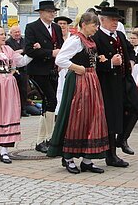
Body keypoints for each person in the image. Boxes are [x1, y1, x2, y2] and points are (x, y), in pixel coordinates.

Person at [47, 12, 109, 174]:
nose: (96, 28)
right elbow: (60, 59)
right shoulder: (75, 40)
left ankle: (87, 160)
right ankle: (68, 157)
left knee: (92, 116)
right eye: (94, 25)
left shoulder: (89, 40)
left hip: (91, 81)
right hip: (79, 82)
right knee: (77, 116)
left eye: (97, 25)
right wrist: (77, 68)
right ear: (84, 24)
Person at [93, 7, 138, 166]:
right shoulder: (96, 38)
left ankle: (122, 139)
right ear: (102, 20)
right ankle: (111, 156)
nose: (115, 23)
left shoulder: (120, 35)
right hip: (108, 83)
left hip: (125, 80)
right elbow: (92, 62)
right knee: (112, 118)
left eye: (117, 20)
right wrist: (110, 63)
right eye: (112, 20)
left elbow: (131, 51)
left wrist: (130, 61)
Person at [0, 25, 32, 164]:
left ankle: (4, 151)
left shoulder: (8, 50)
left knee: (9, 115)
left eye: (4, 34)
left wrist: (33, 52)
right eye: (1, 34)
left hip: (9, 87)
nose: (4, 37)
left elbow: (21, 61)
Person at [25, 0, 64, 153]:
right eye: (49, 11)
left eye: (53, 11)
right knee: (50, 100)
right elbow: (29, 50)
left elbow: (61, 47)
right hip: (38, 70)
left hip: (53, 70)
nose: (52, 14)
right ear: (41, 13)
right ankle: (43, 138)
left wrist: (60, 60)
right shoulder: (32, 27)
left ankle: (47, 138)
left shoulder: (55, 28)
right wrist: (49, 53)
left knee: (51, 102)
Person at [5, 25, 29, 117]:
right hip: (13, 70)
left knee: (24, 90)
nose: (17, 34)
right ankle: (15, 111)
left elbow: (28, 50)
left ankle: (23, 109)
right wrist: (20, 51)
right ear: (11, 33)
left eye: (18, 32)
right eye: (15, 32)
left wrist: (21, 51)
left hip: (24, 69)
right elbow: (10, 54)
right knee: (14, 90)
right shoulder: (7, 42)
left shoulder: (25, 41)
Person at [54, 16, 73, 115]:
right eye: (60, 24)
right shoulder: (55, 38)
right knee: (59, 89)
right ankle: (58, 112)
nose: (62, 26)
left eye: (64, 24)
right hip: (58, 68)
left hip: (70, 67)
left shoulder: (72, 38)